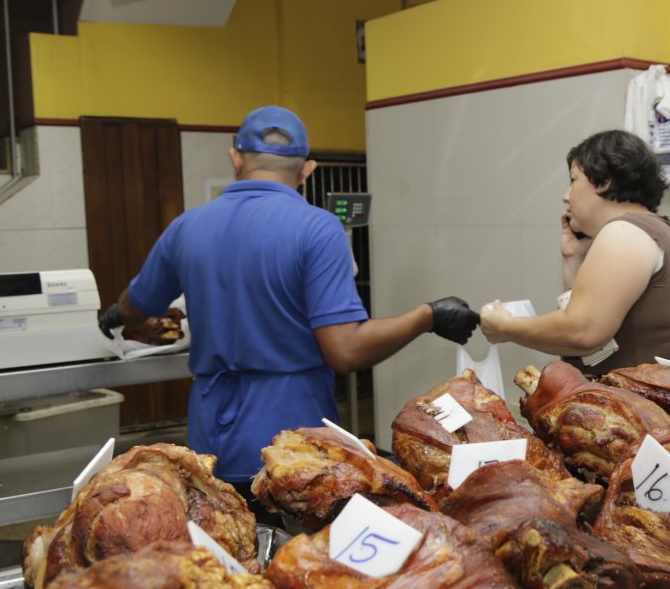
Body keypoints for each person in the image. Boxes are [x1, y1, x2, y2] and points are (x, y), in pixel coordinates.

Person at [98, 106, 479, 498]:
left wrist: (114, 314)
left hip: (208, 443)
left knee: (224, 545)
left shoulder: (186, 227)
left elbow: (135, 306)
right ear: (307, 170)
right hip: (292, 445)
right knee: (289, 552)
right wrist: (427, 316)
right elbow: (345, 350)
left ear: (236, 158)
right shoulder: (317, 229)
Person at [479, 129, 670, 375]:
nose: (565, 196)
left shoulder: (624, 233)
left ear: (604, 181)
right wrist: (574, 258)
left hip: (640, 404)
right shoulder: (645, 229)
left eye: (573, 181)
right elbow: (588, 321)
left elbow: (582, 332)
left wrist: (506, 326)